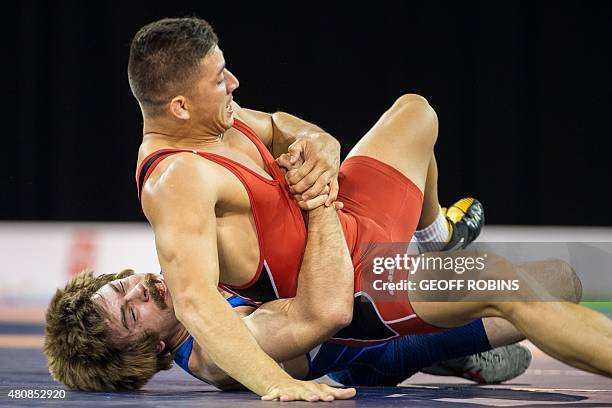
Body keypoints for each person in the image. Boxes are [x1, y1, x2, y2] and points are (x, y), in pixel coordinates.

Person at [123, 17, 612, 400]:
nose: (233, 82)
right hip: (358, 273)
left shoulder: (216, 119)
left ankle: (434, 237)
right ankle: (436, 316)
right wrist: (272, 382)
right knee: (515, 283)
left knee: (416, 111)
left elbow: (275, 125)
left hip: (350, 213)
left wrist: (322, 143)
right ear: (181, 107)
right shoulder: (175, 179)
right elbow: (196, 302)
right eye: (218, 79)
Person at [44, 269, 532, 392]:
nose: (139, 292)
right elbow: (326, 311)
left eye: (121, 286)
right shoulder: (216, 354)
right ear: (148, 348)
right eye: (130, 314)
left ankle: (451, 353)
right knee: (538, 298)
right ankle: (449, 351)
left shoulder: (185, 281)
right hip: (383, 346)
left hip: (364, 314)